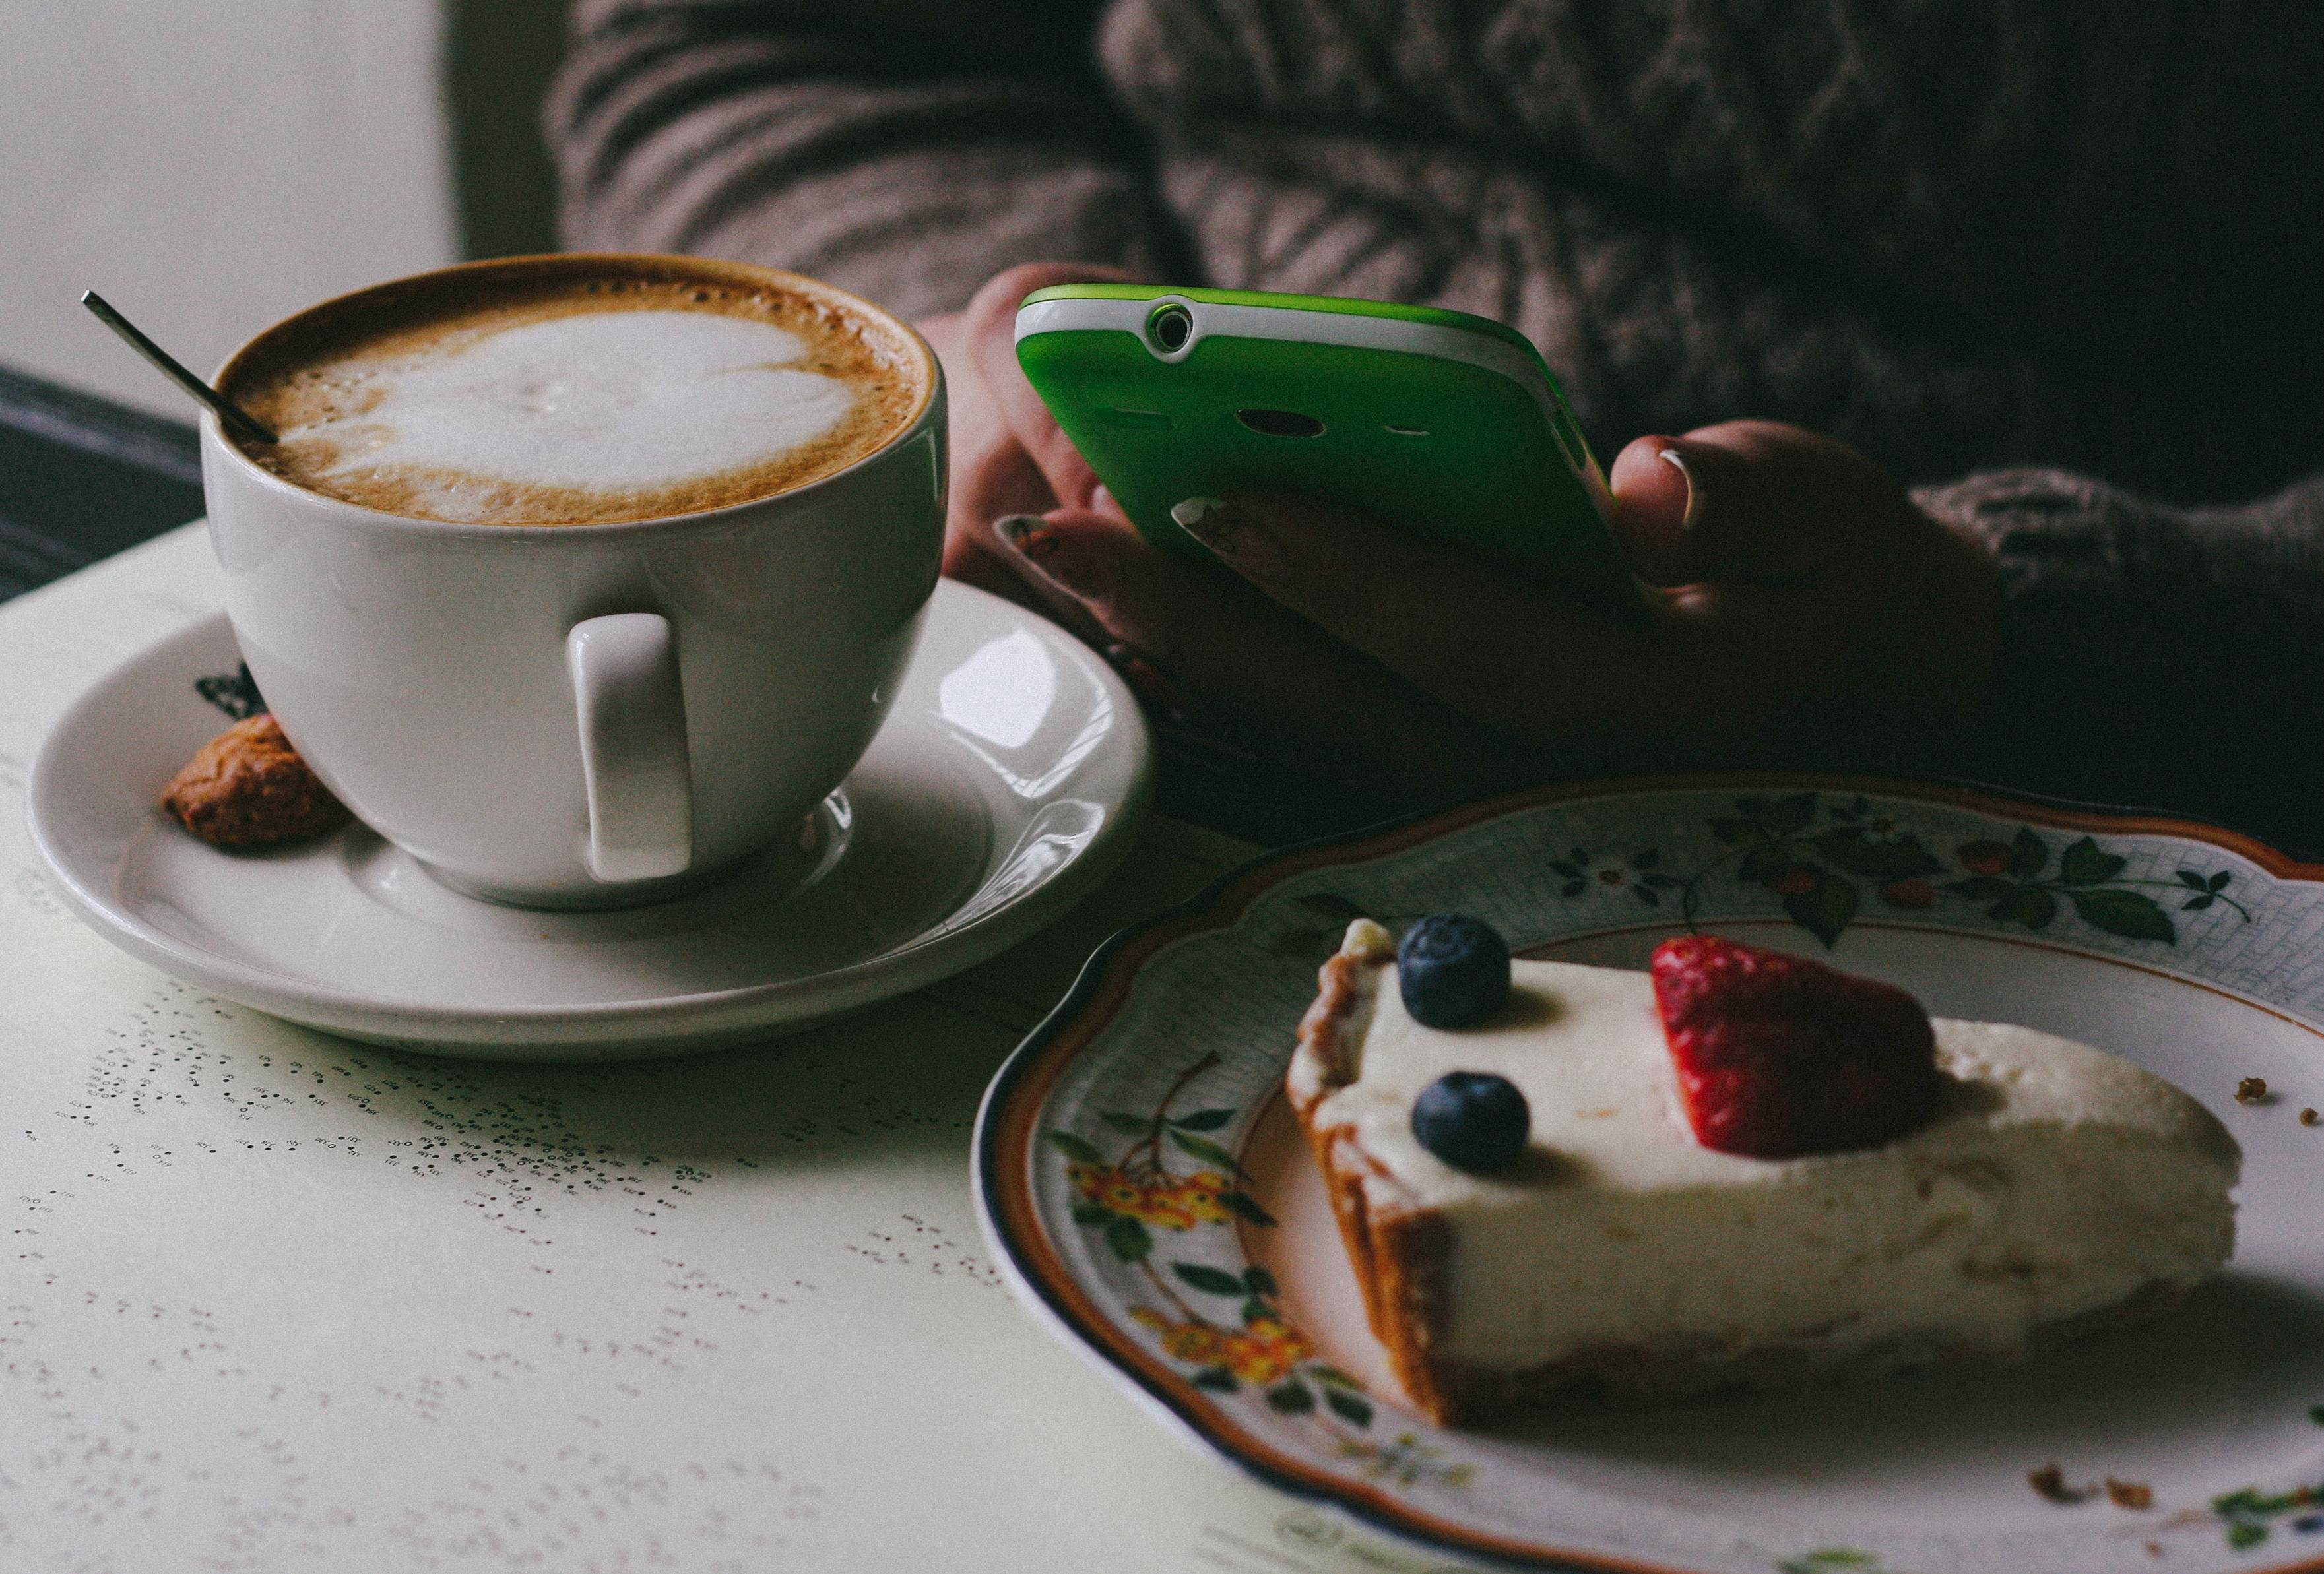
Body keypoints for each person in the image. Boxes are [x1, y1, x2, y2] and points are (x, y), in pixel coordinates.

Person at [548, 0, 2324, 846]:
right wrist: (959, 350)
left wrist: (2030, 645)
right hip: (1071, 735)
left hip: (2116, 853)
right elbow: (777, 44)